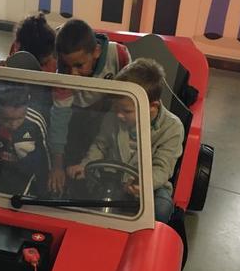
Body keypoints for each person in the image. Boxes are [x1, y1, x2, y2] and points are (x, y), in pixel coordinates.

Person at [67, 58, 184, 223]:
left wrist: (143, 184)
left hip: (149, 187)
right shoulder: (113, 117)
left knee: (161, 209)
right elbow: (100, 146)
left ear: (152, 107)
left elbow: (162, 168)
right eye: (116, 108)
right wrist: (85, 164)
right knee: (71, 193)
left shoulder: (172, 127)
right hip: (109, 178)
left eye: (126, 111)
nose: (119, 115)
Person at [49, 19, 131, 193]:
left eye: (79, 65)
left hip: (111, 117)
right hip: (75, 119)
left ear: (96, 52)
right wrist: (57, 166)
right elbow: (59, 119)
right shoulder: (63, 73)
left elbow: (129, 97)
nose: (73, 74)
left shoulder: (119, 55)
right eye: (67, 66)